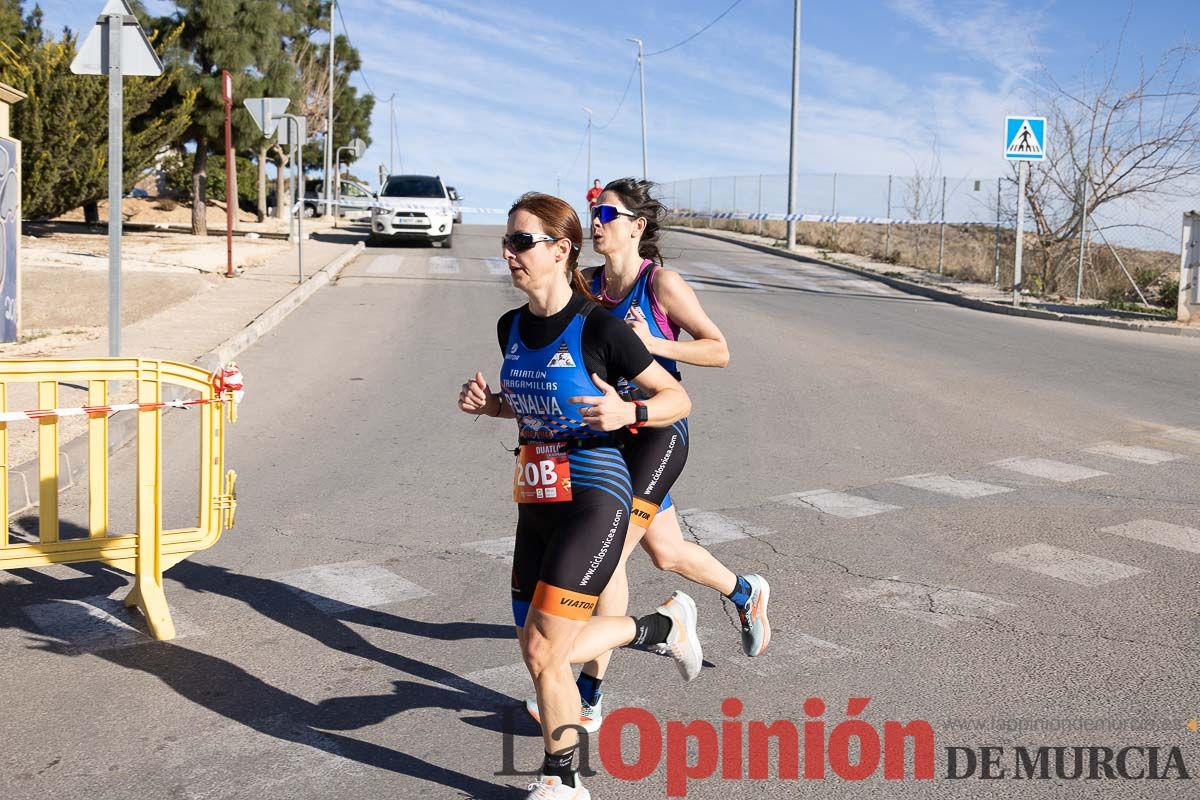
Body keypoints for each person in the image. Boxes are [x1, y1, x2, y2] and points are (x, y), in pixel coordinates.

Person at [458, 191, 702, 800]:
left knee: (547, 646)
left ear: (562, 250)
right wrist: (493, 405)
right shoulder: (510, 326)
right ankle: (658, 627)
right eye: (506, 242)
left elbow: (678, 400)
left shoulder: (600, 327)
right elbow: (531, 400)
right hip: (536, 499)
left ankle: (560, 781)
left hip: (596, 493)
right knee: (536, 654)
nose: (509, 254)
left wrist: (630, 410)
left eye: (522, 242)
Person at [525, 178, 771, 735]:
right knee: (667, 553)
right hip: (606, 435)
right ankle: (744, 591)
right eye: (593, 212)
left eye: (606, 213)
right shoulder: (584, 284)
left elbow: (719, 350)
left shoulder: (661, 284)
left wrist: (650, 344)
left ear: (636, 226)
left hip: (657, 431)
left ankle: (588, 696)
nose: (596, 222)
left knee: (609, 558)